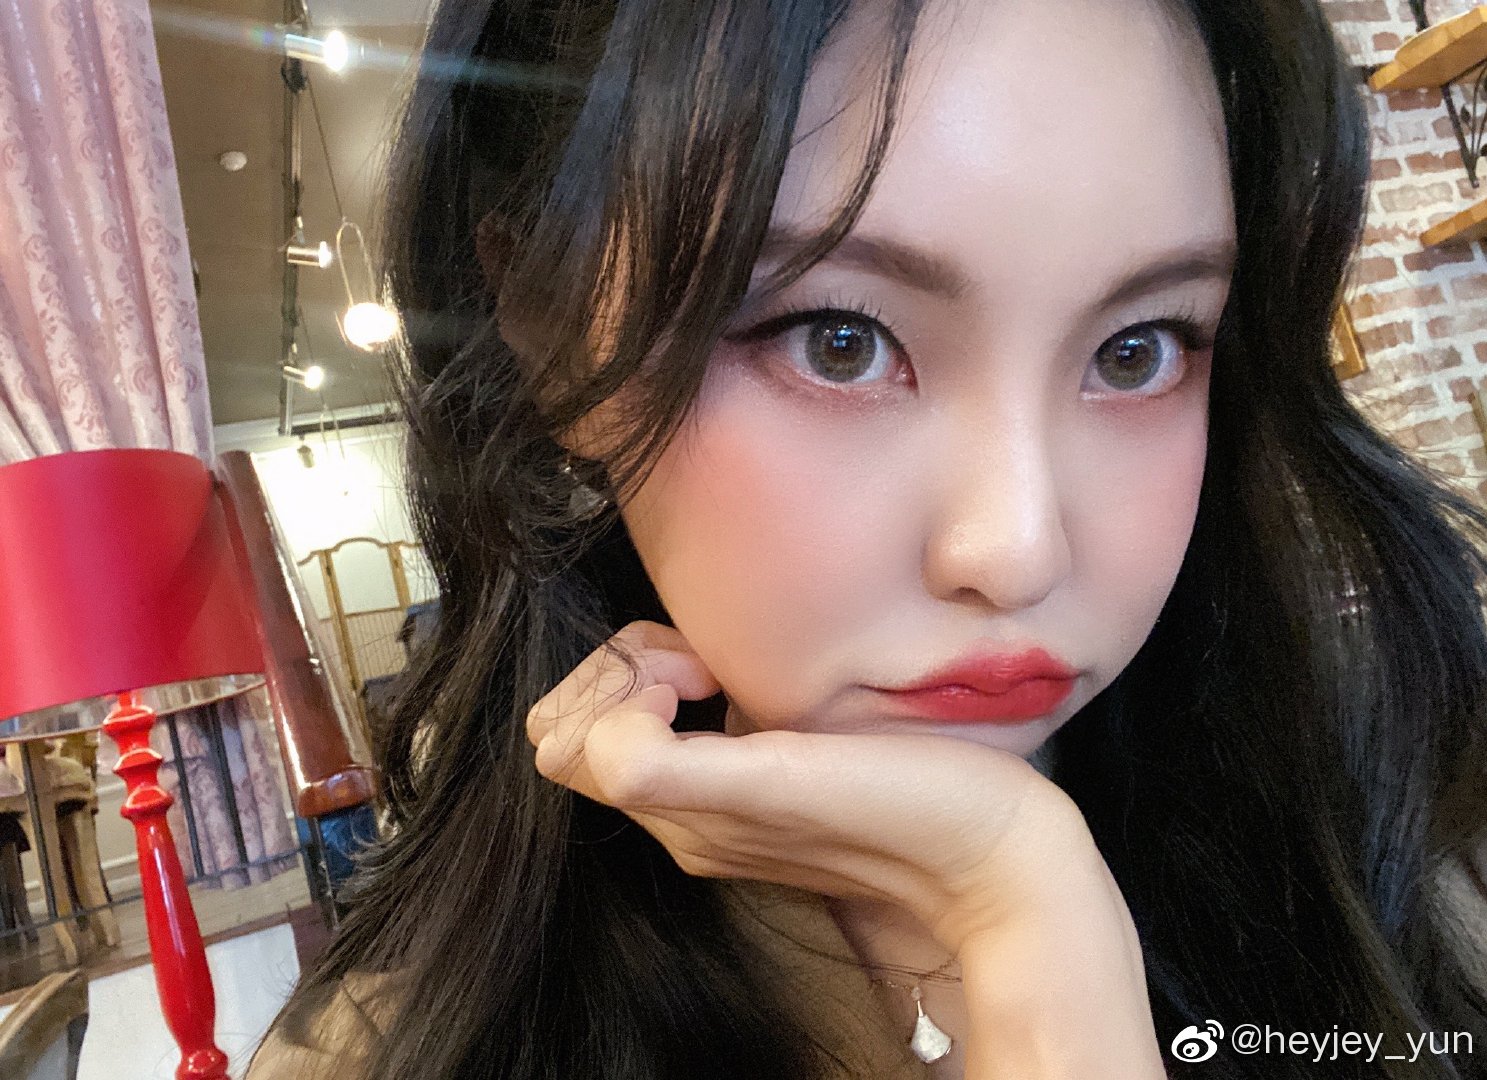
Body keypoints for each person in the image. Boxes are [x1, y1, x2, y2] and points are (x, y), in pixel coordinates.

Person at [247, 0, 1487, 1076]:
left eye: (1136, 351)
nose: (1015, 552)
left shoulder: (1413, 873)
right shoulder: (389, 1056)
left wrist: (1027, 903)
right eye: (837, 341)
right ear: (551, 330)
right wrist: (1014, 903)